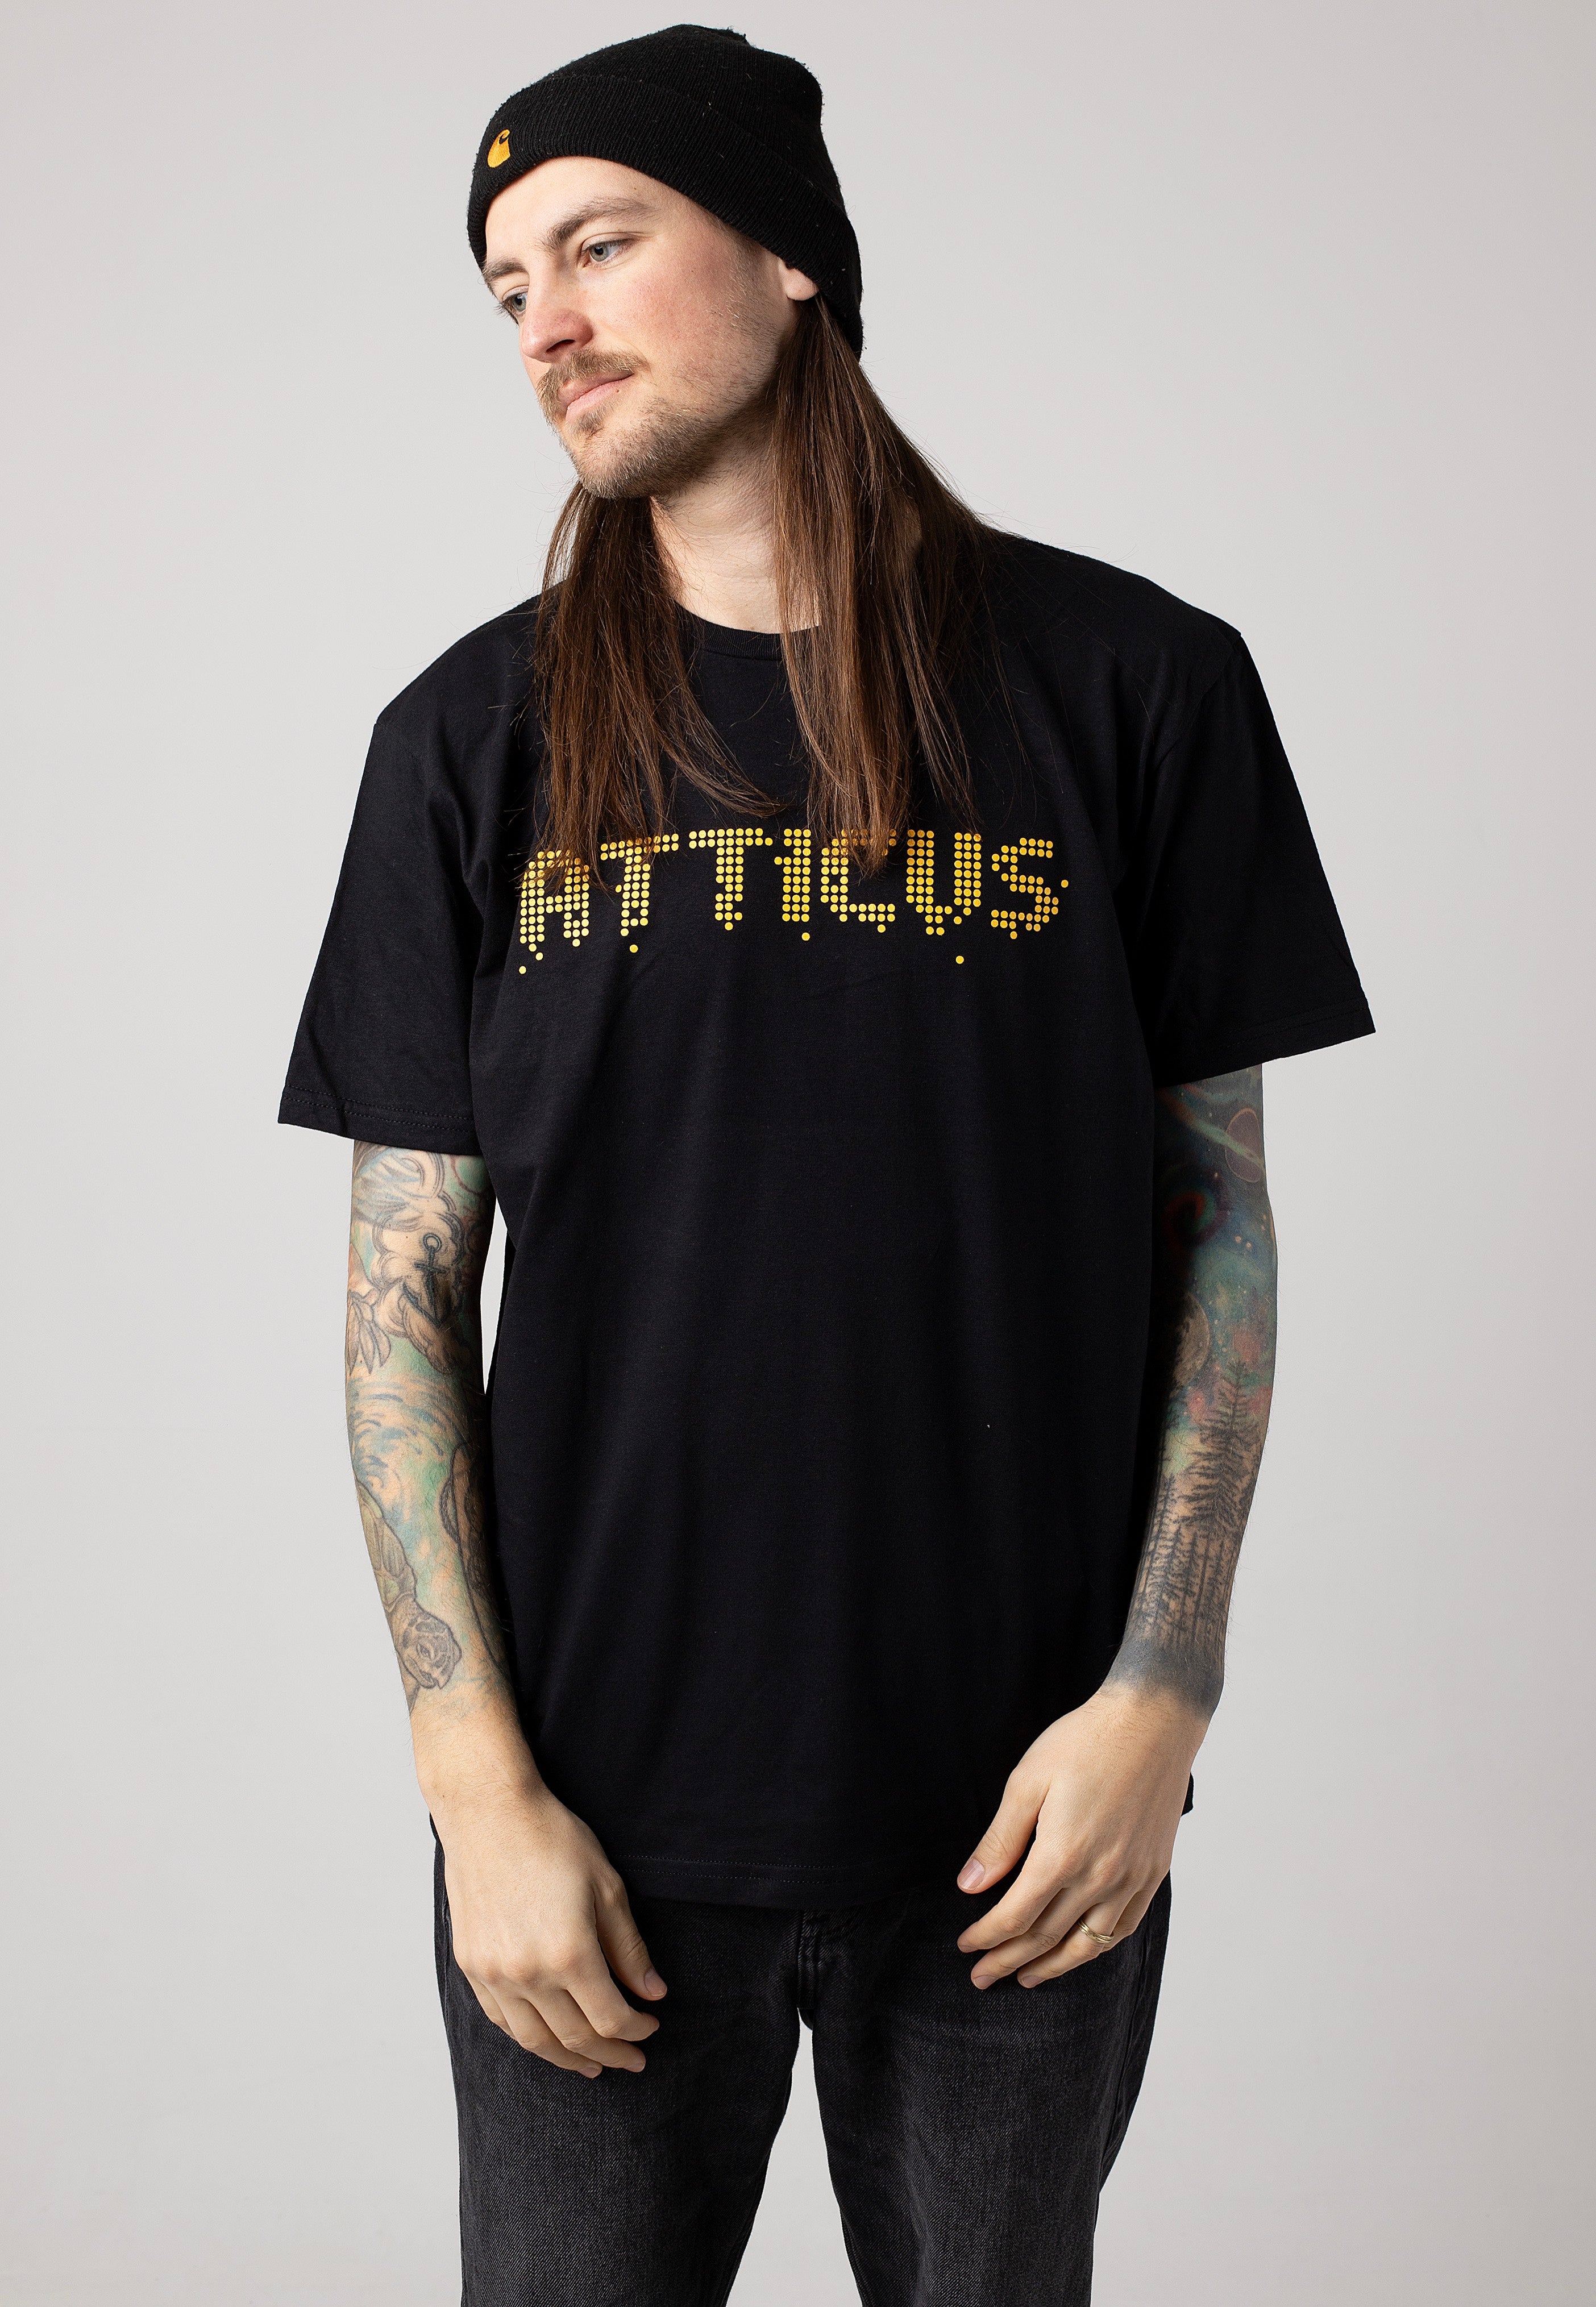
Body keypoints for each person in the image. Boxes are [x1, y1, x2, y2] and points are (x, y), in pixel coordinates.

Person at [280, 25, 1374, 2304]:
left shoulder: (1140, 686)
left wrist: (1162, 1693)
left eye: (599, 244)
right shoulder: (468, 738)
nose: (546, 323)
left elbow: (1219, 1222)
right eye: (508, 287)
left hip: (1022, 1822)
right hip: (591, 1827)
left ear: (790, 256)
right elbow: (402, 1291)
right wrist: (477, 1786)